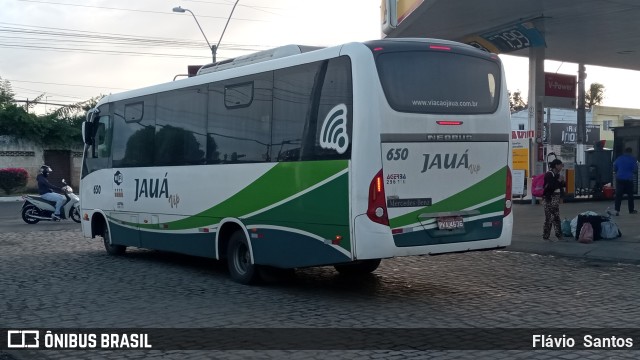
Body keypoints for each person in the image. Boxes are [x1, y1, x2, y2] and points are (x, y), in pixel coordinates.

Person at [542, 158, 566, 241]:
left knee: (554, 216)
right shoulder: (549, 174)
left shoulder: (558, 174)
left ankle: (556, 235)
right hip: (549, 198)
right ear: (556, 165)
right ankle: (547, 235)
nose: (561, 167)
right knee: (551, 217)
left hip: (556, 197)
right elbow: (551, 187)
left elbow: (561, 186)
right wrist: (559, 180)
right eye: (560, 165)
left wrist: (562, 182)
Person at [613, 147, 638, 215]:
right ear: (630, 152)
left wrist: (617, 171)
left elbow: (614, 167)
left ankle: (617, 211)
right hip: (628, 180)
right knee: (630, 195)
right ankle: (631, 210)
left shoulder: (619, 158)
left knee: (618, 195)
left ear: (624, 152)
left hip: (619, 179)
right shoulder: (632, 159)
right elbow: (635, 170)